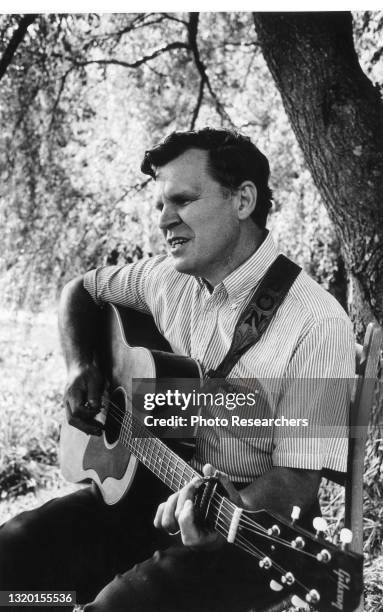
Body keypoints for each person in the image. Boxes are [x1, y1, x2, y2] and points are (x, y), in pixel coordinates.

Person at [0, 128, 354, 612]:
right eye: (160, 206)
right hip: (147, 492)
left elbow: (296, 482)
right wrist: (82, 364)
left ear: (243, 200)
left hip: (247, 531)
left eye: (183, 201)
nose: (165, 220)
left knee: (117, 606)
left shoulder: (319, 322)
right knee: (14, 558)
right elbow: (80, 291)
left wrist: (230, 510)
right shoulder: (168, 280)